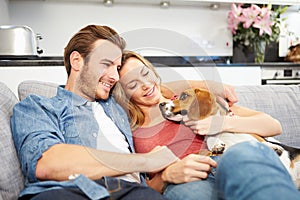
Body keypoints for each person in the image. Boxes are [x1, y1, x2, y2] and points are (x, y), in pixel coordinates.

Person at [10, 25, 238, 200]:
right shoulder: (39, 106)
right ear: (77, 61)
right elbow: (47, 162)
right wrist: (146, 161)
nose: (115, 76)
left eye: (117, 68)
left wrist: (210, 85)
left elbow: (152, 86)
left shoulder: (116, 104)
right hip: (70, 192)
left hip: (135, 193)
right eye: (106, 64)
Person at [113, 50, 300, 199]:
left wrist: (221, 122)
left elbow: (273, 125)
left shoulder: (195, 99)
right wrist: (164, 178)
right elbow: (138, 187)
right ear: (124, 94)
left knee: (244, 155)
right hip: (186, 180)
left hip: (231, 159)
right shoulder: (130, 128)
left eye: (145, 74)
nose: (145, 85)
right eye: (133, 84)